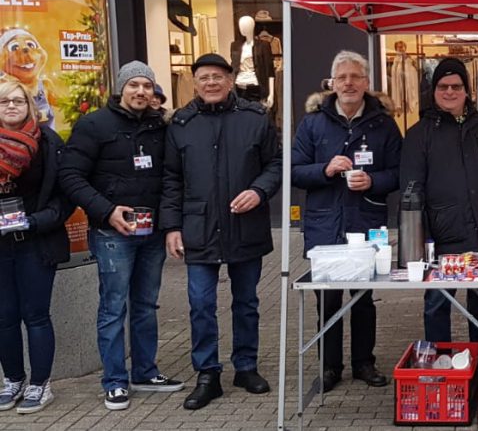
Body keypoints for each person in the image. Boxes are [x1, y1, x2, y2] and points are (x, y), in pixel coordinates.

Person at [58, 61, 183, 411]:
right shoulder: (94, 124)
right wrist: (107, 211)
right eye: (133, 85)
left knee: (145, 306)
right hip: (113, 233)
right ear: (121, 89)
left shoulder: (162, 127)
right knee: (114, 307)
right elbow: (70, 176)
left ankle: (145, 371)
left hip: (152, 233)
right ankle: (114, 380)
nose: (140, 91)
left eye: (146, 86)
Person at [160, 53, 282, 410]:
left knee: (246, 303)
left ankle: (246, 367)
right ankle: (207, 375)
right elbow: (170, 179)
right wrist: (171, 226)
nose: (210, 83)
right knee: (200, 304)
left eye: (217, 76)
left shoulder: (255, 117)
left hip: (245, 226)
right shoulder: (180, 123)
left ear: (231, 80)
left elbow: (275, 164)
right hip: (198, 227)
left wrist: (259, 191)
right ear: (194, 82)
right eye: (203, 77)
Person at [399, 58, 478, 378]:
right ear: (433, 91)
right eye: (443, 87)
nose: (450, 92)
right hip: (444, 235)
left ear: (467, 91)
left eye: (456, 86)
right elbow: (411, 189)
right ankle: (439, 361)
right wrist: (422, 236)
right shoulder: (419, 133)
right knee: (438, 302)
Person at [292, 50, 401, 393]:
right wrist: (324, 170)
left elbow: (399, 171)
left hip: (365, 219)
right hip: (324, 223)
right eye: (342, 78)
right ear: (332, 83)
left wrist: (373, 181)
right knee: (327, 297)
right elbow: (294, 171)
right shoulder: (313, 121)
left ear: (367, 83)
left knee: (364, 296)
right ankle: (329, 367)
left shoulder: (383, 122)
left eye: (355, 77)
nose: (349, 83)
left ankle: (363, 363)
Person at [0, 81, 71, 414]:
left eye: (18, 100)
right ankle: (13, 379)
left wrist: (37, 220)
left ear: (29, 105)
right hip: (0, 246)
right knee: (4, 318)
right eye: (3, 101)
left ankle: (40, 385)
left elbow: (66, 195)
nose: (11, 106)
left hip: (36, 242)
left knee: (36, 316)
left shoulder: (48, 143)